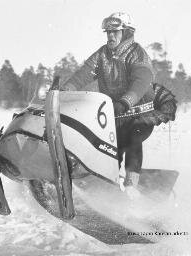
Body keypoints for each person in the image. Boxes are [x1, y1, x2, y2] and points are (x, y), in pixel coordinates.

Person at [61, 12, 177, 198]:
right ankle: (108, 190)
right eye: (108, 32)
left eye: (115, 32)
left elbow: (141, 80)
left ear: (127, 32)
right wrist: (65, 91)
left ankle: (132, 187)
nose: (110, 36)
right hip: (114, 115)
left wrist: (126, 101)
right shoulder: (102, 54)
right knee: (109, 150)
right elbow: (83, 74)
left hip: (140, 114)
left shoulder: (136, 53)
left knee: (133, 139)